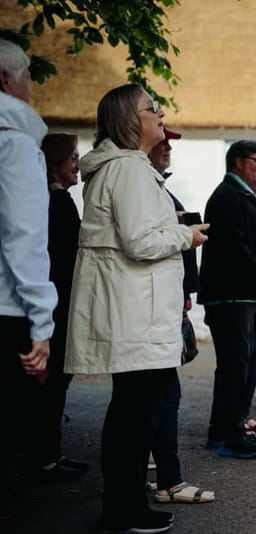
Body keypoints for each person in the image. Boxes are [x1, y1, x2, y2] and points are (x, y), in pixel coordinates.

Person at [64, 83, 208, 533]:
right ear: (130, 119)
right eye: (152, 108)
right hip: (134, 315)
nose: (160, 114)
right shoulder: (127, 169)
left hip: (133, 312)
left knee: (134, 412)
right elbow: (141, 241)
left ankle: (125, 506)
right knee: (133, 415)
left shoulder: (127, 168)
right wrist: (188, 236)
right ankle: (122, 510)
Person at [0, 38, 59, 519]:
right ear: (6, 79)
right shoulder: (14, 144)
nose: (31, 89)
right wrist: (42, 321)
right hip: (7, 310)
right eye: (27, 78)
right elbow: (23, 237)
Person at [147, 127, 214, 504]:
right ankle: (166, 482)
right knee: (157, 396)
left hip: (166, 302)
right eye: (161, 138)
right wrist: (182, 232)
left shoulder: (157, 187)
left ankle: (159, 477)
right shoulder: (138, 183)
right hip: (153, 308)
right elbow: (142, 242)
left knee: (157, 395)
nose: (168, 145)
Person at [198, 140, 256, 460]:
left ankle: (222, 431)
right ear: (238, 161)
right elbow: (236, 246)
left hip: (239, 294)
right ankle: (230, 435)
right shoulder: (228, 195)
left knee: (234, 367)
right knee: (234, 367)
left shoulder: (238, 194)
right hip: (230, 295)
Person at [40, 133, 89, 480]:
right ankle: (45, 456)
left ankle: (49, 452)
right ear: (56, 162)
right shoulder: (58, 204)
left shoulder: (55, 202)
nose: (77, 164)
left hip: (60, 301)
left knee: (57, 382)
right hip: (59, 304)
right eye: (72, 157)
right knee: (53, 382)